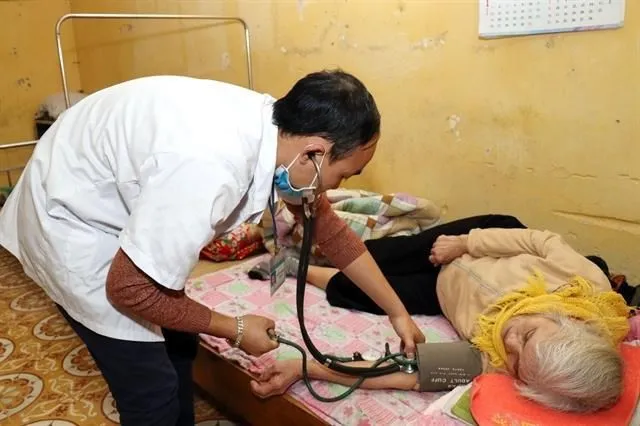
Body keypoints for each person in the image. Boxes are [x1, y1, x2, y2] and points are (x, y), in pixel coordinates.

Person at [0, 70, 424, 425]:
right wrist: (235, 328)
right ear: (315, 152)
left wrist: (397, 312)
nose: (339, 188)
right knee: (151, 388)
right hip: (70, 221)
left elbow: (329, 230)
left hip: (102, 181)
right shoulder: (209, 167)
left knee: (180, 341)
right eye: (345, 177)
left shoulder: (282, 135)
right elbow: (127, 288)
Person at [251, 215, 631, 413]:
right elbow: (539, 240)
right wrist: (464, 243)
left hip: (441, 290)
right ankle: (314, 250)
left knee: (356, 292)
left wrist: (306, 369)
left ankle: (295, 265)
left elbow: (406, 372)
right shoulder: (586, 282)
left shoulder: (499, 361)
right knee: (379, 255)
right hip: (470, 246)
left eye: (516, 362)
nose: (509, 340)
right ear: (566, 321)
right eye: (529, 335)